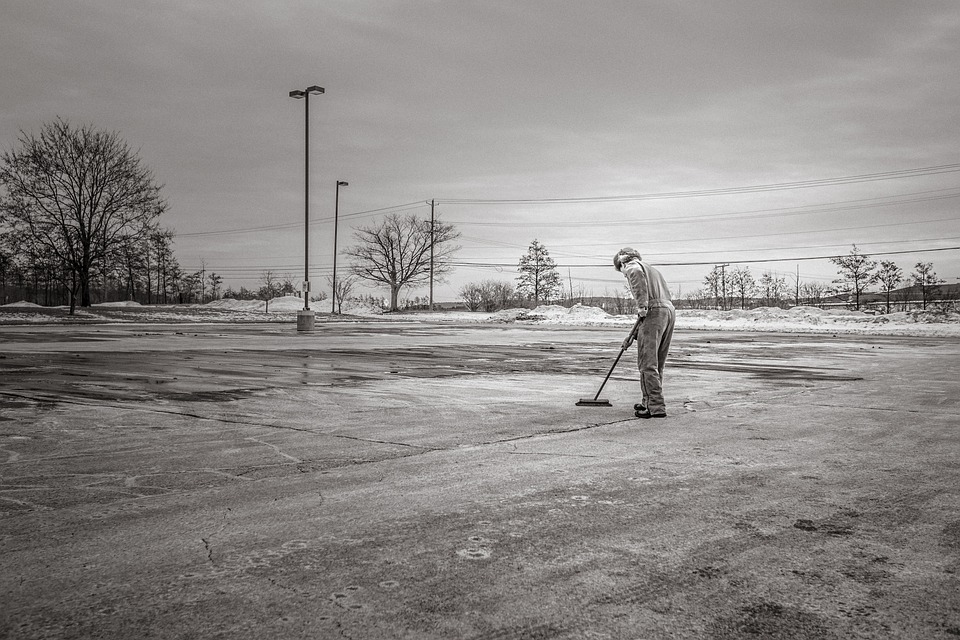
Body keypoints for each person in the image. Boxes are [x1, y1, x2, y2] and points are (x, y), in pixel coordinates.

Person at [614, 247, 676, 419]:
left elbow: (638, 282)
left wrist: (641, 306)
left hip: (654, 311)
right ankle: (648, 401)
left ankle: (654, 407)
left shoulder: (632, 266)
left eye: (621, 270)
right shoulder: (651, 269)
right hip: (668, 311)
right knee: (657, 362)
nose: (623, 273)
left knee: (647, 363)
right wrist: (632, 336)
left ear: (621, 262)